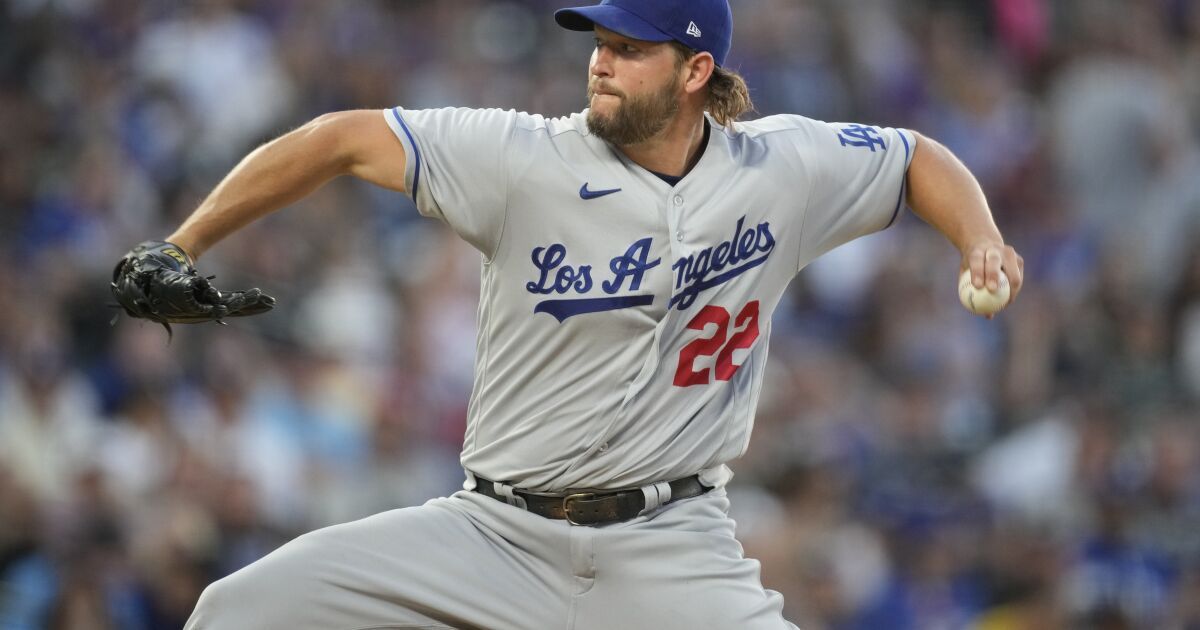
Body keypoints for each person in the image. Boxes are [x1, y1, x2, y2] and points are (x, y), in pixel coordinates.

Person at [117, 0, 1023, 627]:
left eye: (629, 48)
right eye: (598, 41)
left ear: (696, 69)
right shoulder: (522, 159)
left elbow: (913, 156)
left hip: (673, 546)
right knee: (239, 613)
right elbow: (342, 138)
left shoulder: (777, 172)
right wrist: (183, 244)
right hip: (494, 534)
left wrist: (980, 237)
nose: (600, 60)